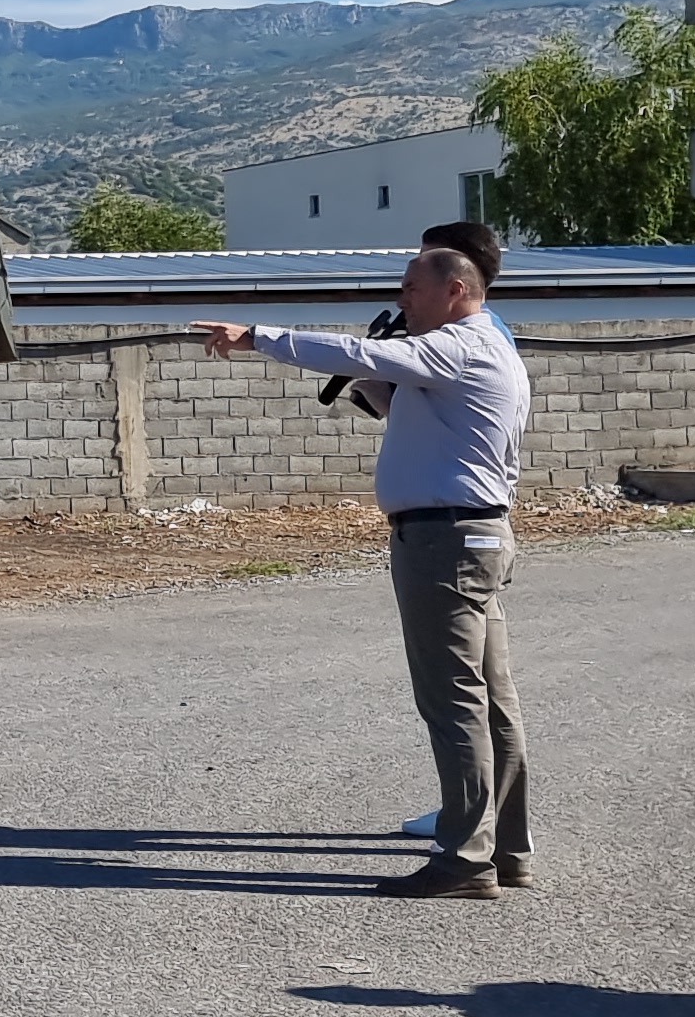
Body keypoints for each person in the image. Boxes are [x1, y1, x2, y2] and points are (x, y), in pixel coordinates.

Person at [198, 243, 535, 899]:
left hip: (445, 540)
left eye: (412, 287)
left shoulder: (458, 345)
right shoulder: (482, 350)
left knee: (454, 702)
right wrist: (371, 385)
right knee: (491, 701)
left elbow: (357, 353)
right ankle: (508, 850)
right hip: (471, 536)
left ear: (455, 292)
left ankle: (466, 858)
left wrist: (258, 337)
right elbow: (410, 412)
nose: (401, 297)